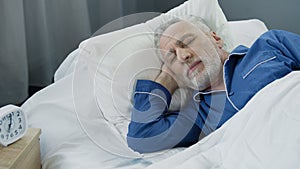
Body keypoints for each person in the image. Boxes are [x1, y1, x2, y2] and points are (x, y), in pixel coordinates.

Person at [126, 15, 300, 153]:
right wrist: (165, 79)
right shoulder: (196, 116)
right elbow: (142, 137)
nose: (183, 56)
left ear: (215, 38)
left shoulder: (270, 45)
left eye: (186, 42)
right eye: (172, 56)